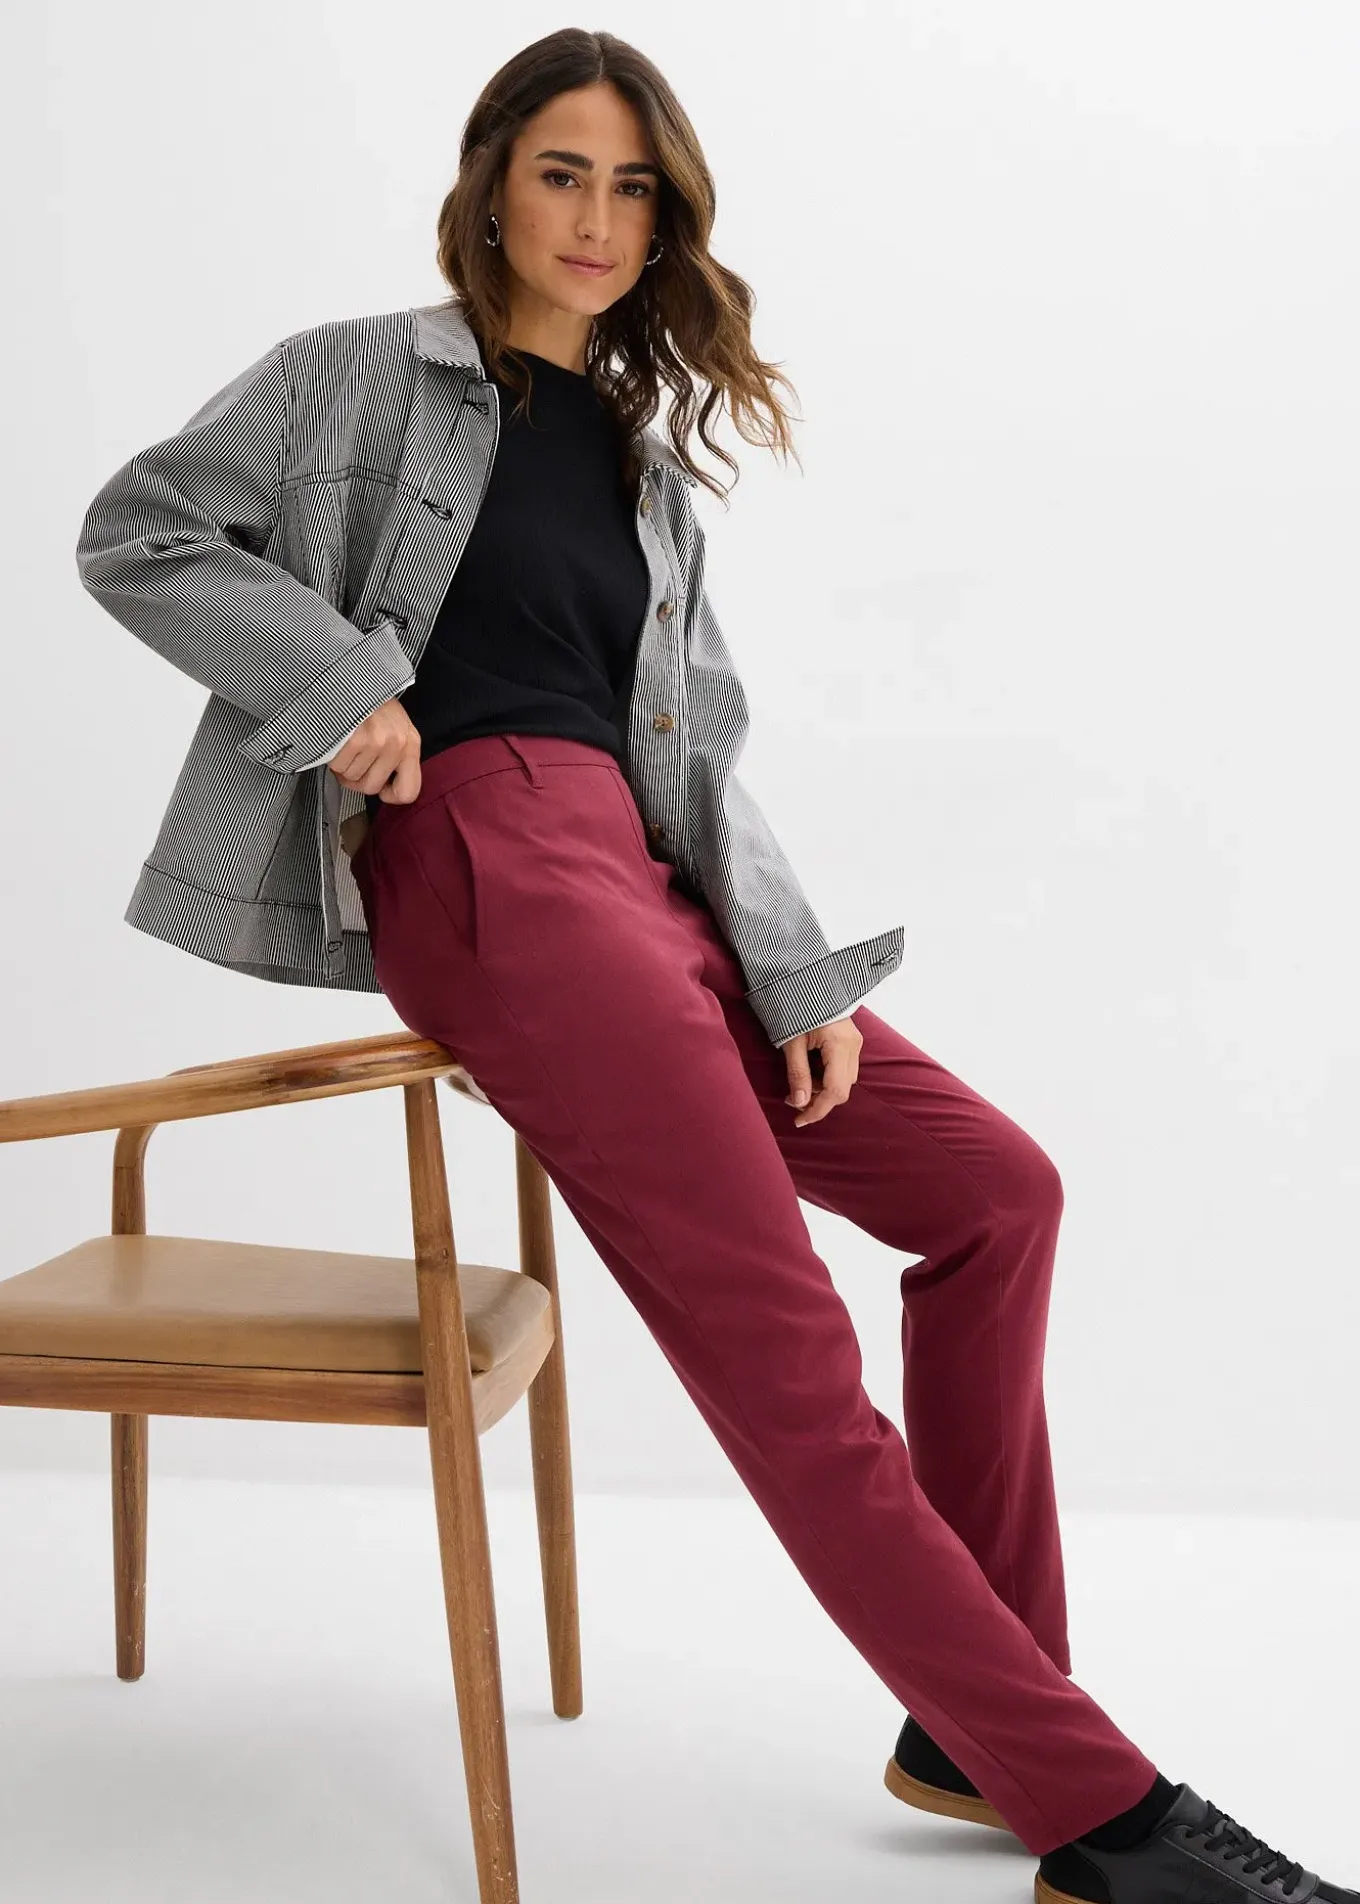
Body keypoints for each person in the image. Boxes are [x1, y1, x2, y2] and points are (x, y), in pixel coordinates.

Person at [75, 27, 1354, 1900]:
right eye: (561, 174)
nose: (596, 219)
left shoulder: (643, 473)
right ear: (489, 185)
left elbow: (693, 768)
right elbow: (142, 526)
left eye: (633, 187)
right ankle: (1102, 1817)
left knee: (995, 1193)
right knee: (786, 1355)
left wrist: (791, 974)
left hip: (640, 881)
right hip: (490, 865)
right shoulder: (358, 373)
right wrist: (342, 690)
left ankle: (978, 1721)